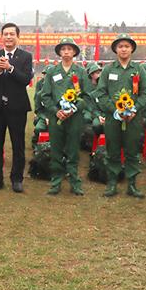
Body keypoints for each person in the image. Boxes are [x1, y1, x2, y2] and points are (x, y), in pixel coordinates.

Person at [93, 34, 146, 198]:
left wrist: (135, 109)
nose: (124, 49)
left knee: (132, 152)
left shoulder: (139, 69)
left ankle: (132, 185)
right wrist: (114, 111)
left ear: (132, 49)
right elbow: (101, 93)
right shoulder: (108, 70)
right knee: (113, 151)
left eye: (127, 46)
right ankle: (112, 183)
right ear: (115, 49)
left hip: (133, 119)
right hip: (113, 118)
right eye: (120, 46)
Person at [0, 23, 34, 193]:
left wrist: (10, 68)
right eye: (6, 34)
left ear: (18, 37)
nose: (9, 37)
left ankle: (17, 179)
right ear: (1, 37)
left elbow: (26, 79)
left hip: (17, 108)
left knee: (18, 145)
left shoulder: (26, 56)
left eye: (12, 34)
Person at [38, 37, 90, 196]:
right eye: (63, 49)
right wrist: (56, 111)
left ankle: (75, 182)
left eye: (69, 49)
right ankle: (56, 182)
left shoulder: (81, 72)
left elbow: (87, 96)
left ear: (74, 52)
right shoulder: (52, 72)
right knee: (56, 150)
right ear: (59, 52)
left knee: (73, 150)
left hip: (75, 118)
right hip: (56, 118)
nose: (66, 52)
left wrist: (74, 108)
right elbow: (45, 95)